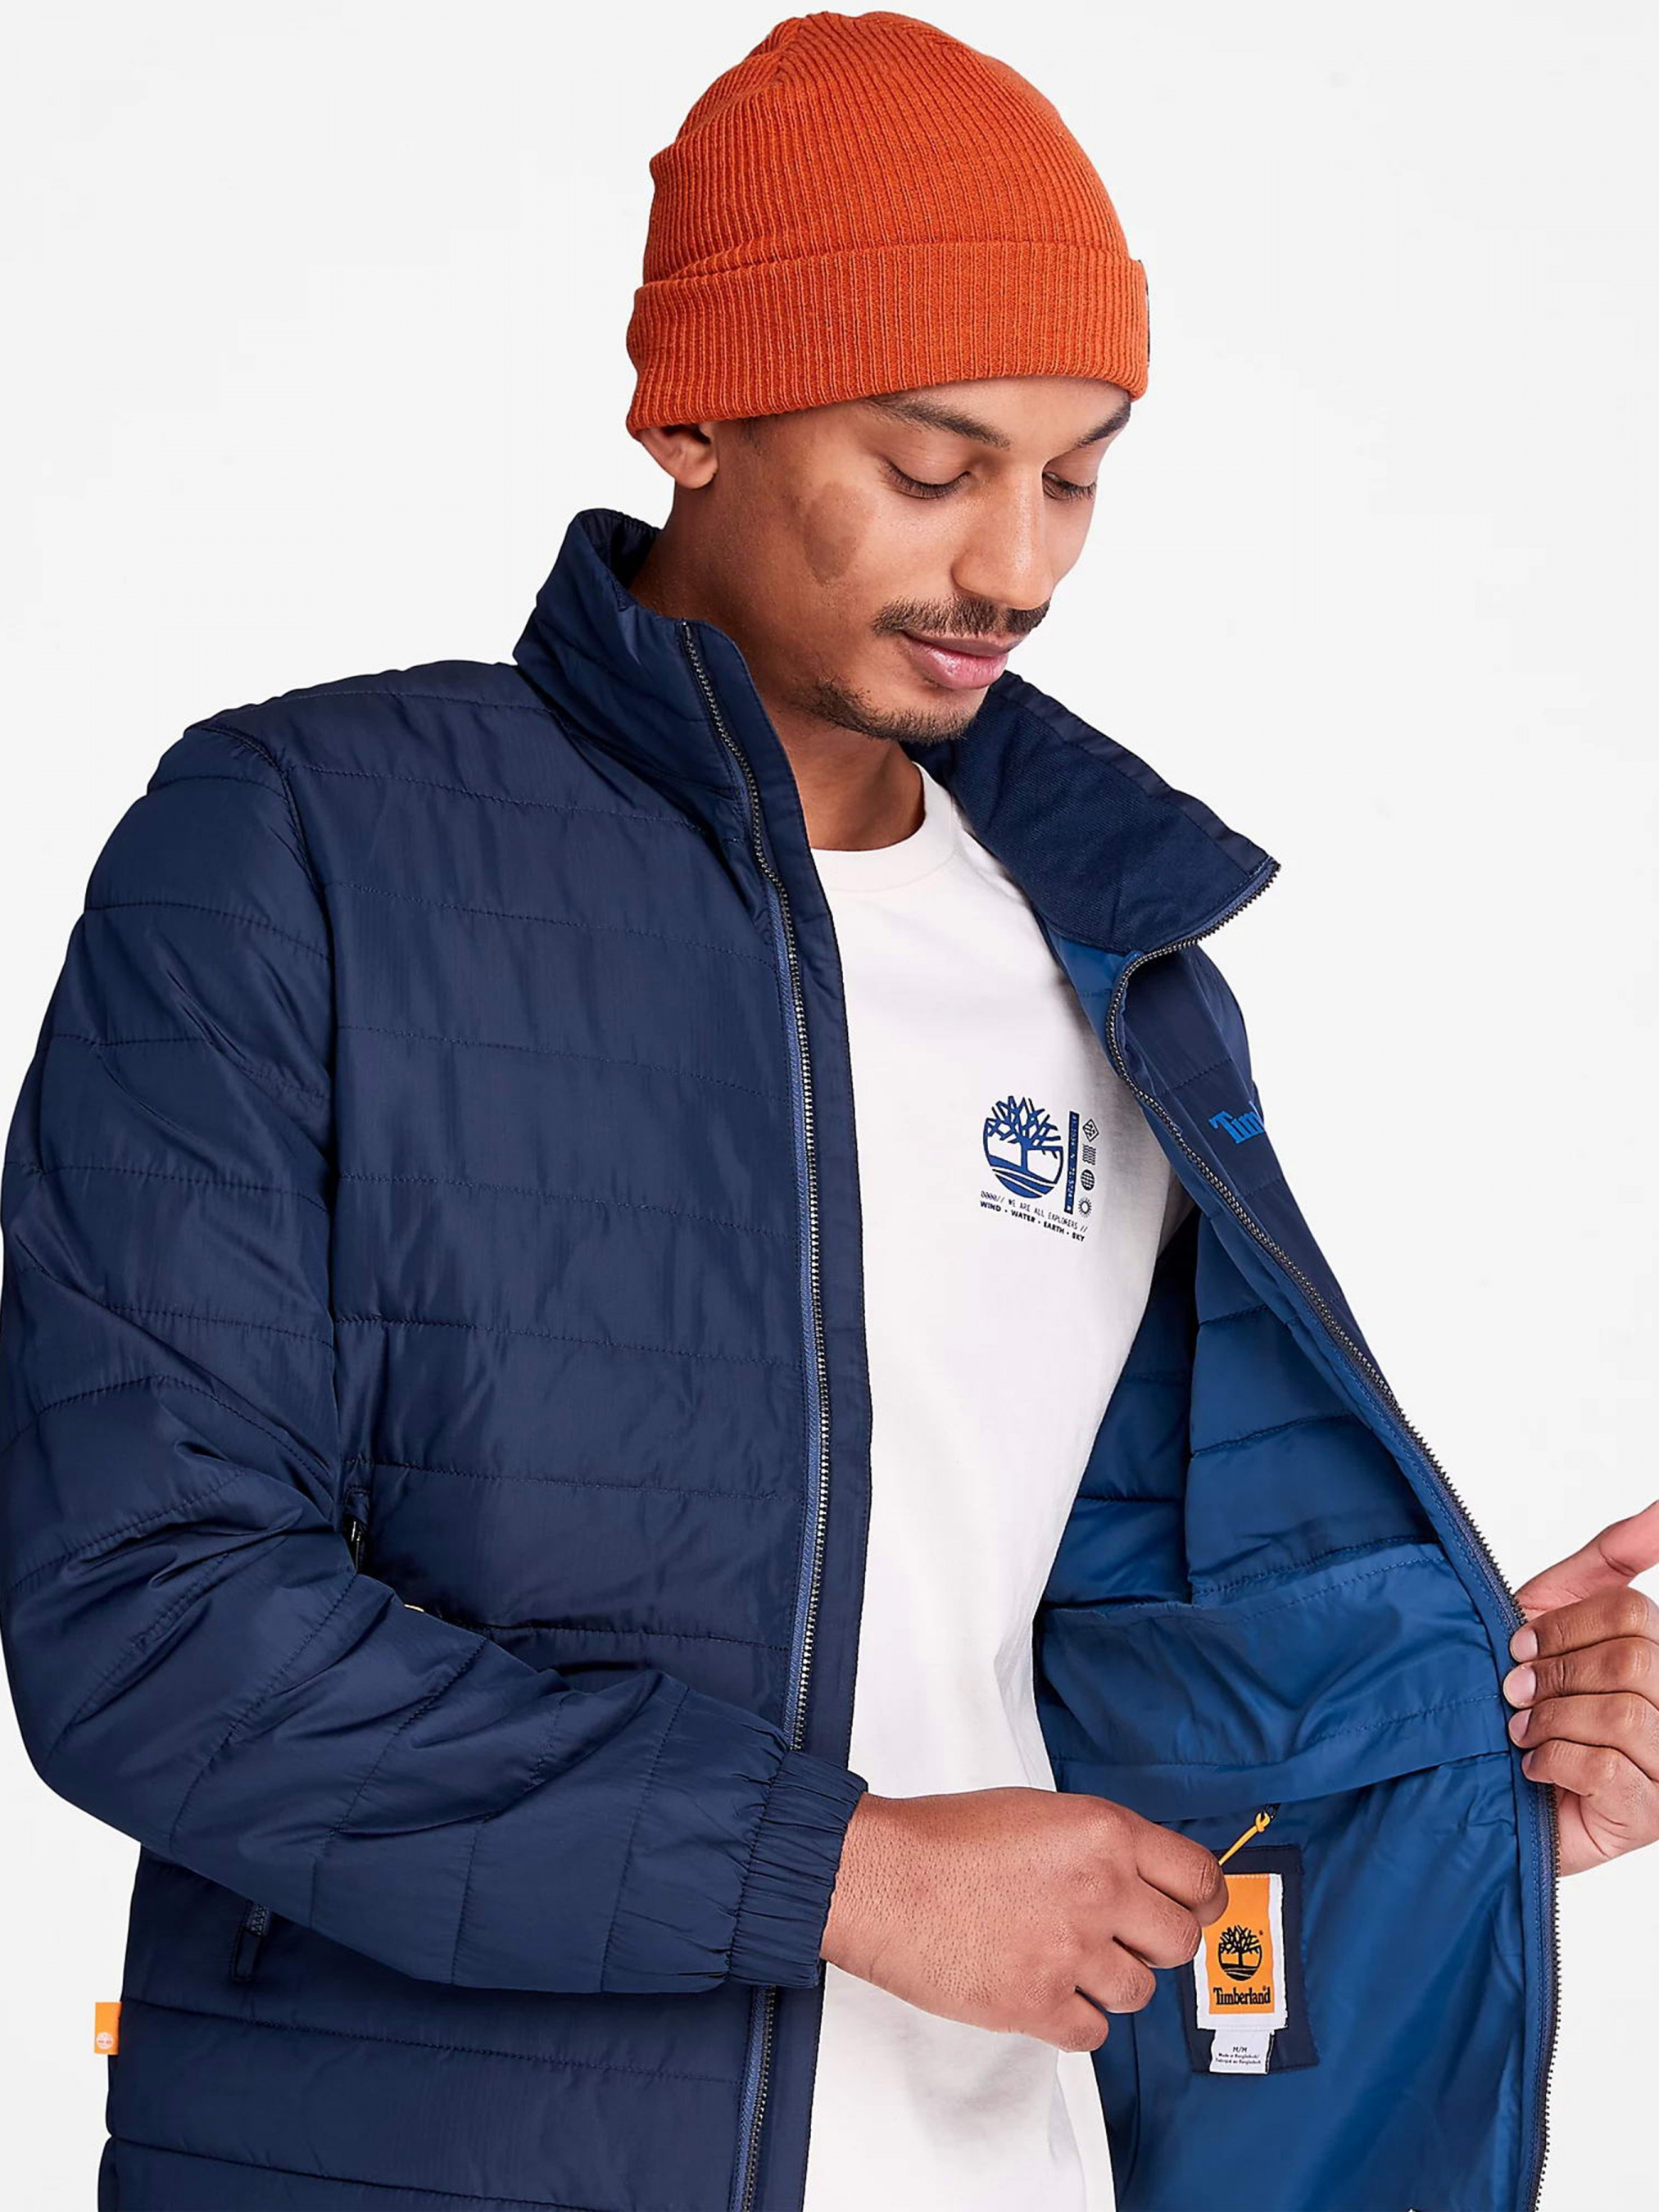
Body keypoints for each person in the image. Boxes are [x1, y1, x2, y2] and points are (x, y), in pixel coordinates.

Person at [2, 12, 1654, 2211]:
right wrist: (843, 1876)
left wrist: (1437, 1739)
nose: (1016, 567)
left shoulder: (1111, 968)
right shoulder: (302, 845)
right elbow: (146, 1622)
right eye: (932, 466)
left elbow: (1076, 1673)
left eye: (1075, 474)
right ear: (692, 412)